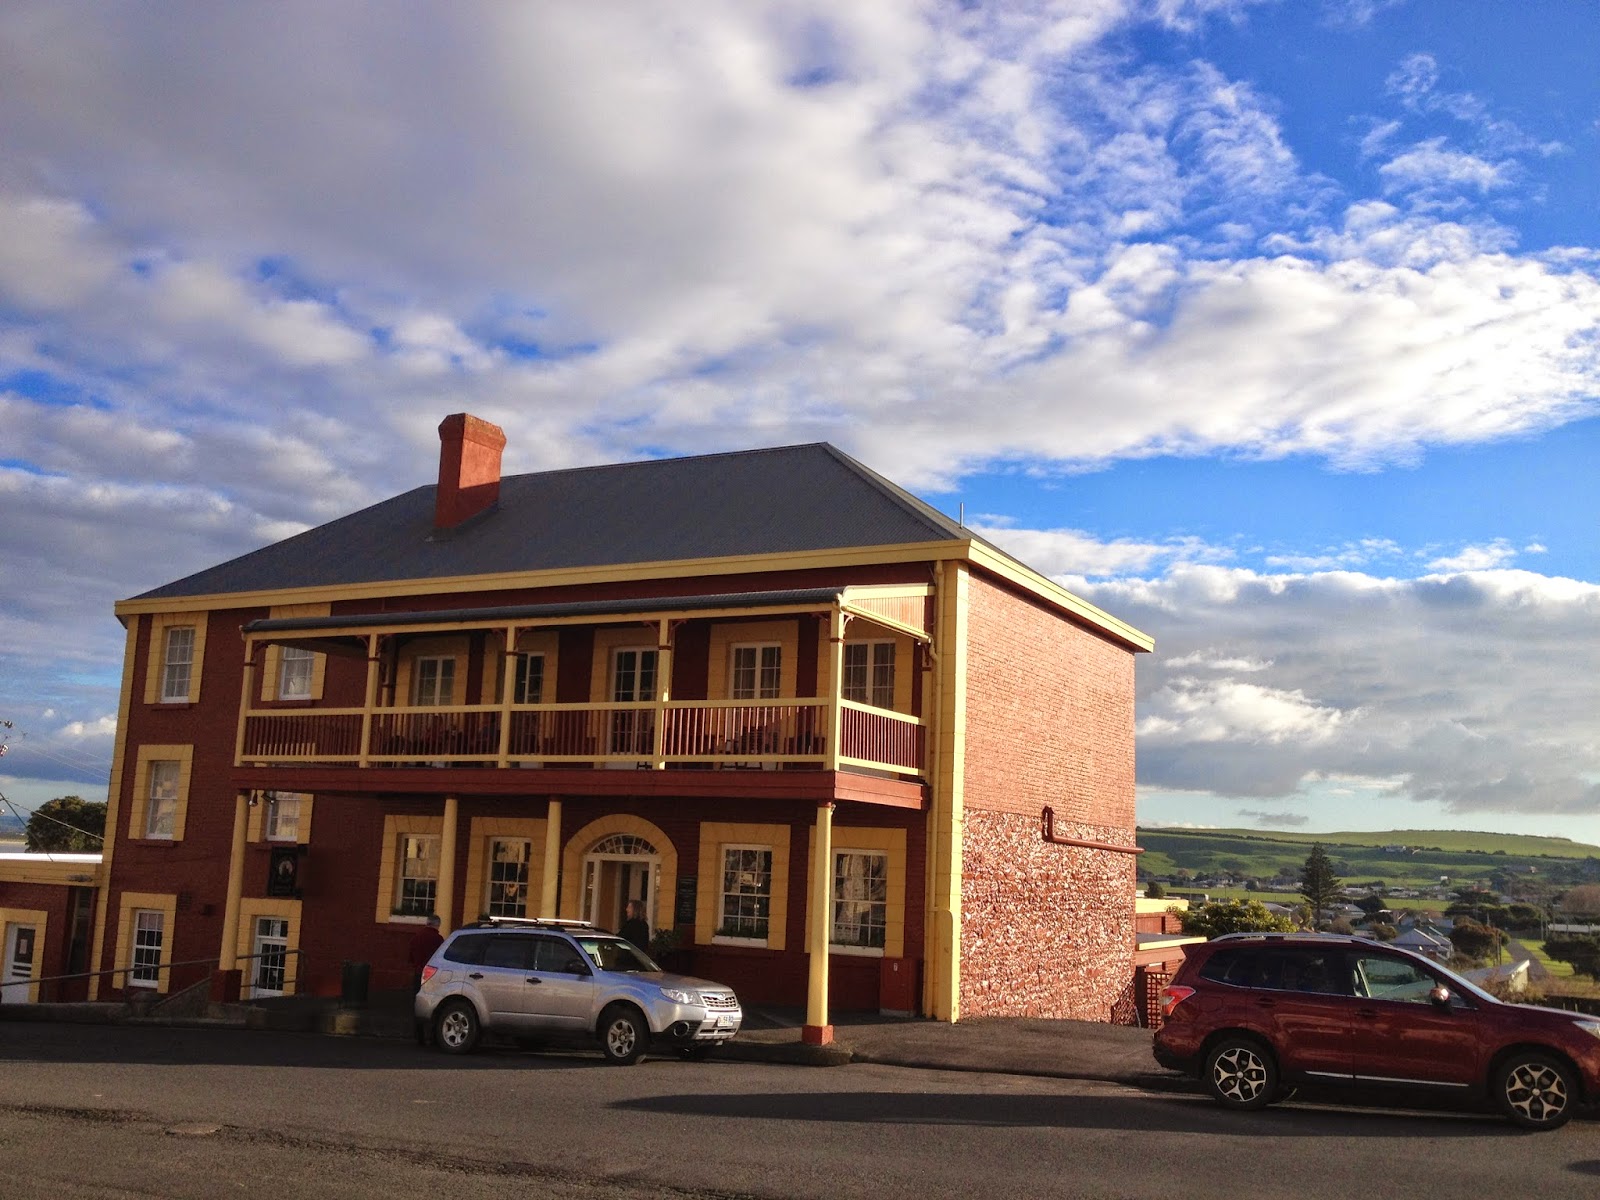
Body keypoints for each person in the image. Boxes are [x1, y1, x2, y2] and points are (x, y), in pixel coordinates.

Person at [408, 913, 444, 993]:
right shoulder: (438, 939)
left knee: (417, 995)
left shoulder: (416, 937)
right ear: (437, 925)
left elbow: (410, 955)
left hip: (418, 971)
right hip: (432, 973)